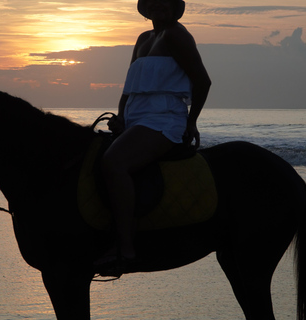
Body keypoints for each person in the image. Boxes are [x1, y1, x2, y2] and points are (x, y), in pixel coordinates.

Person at [94, 0, 211, 274]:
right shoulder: (143, 38)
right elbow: (128, 89)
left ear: (175, 6)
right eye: (153, 0)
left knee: (114, 163)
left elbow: (203, 82)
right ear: (145, 8)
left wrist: (190, 122)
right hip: (136, 119)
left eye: (165, 0)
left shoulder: (177, 36)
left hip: (164, 119)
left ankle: (126, 248)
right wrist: (122, 117)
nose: (159, 5)